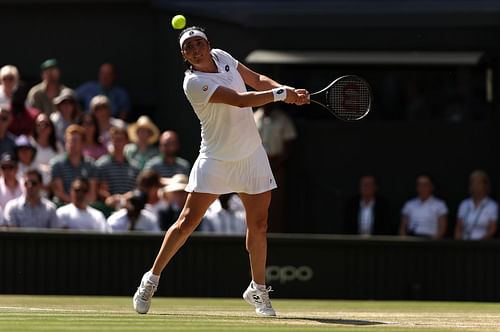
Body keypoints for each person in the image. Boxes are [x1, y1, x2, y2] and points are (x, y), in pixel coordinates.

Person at [132, 26, 309, 317]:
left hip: (252, 156)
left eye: (199, 43)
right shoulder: (193, 82)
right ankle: (151, 279)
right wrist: (280, 95)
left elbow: (255, 80)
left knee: (260, 225)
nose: (196, 50)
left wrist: (284, 91)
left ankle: (258, 289)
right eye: (189, 48)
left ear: (209, 44)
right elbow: (240, 99)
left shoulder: (222, 56)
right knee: (187, 222)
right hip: (215, 159)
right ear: (184, 56)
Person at [254, 103, 297, 232]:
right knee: (255, 204)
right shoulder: (253, 117)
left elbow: (289, 146)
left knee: (275, 205)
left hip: (276, 167)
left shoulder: (283, 119)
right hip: (256, 167)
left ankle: (274, 235)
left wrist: (274, 165)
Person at [50, 125, 98, 205]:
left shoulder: (91, 164)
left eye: (75, 141)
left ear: (82, 144)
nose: (71, 144)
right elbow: (60, 193)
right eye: (69, 141)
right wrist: (76, 205)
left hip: (86, 206)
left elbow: (92, 195)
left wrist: (82, 206)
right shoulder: (56, 164)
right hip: (64, 207)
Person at [96, 126, 139, 209]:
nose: (118, 142)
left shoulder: (135, 167)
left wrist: (125, 198)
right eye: (115, 139)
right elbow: (100, 189)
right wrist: (112, 198)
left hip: (129, 209)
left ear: (126, 142)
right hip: (108, 209)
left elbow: (136, 189)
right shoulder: (101, 164)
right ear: (111, 141)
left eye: (121, 139)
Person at [399, 173, 448, 239]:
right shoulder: (409, 204)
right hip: (412, 239)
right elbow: (403, 227)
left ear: (431, 187)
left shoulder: (439, 205)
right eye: (419, 185)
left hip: (431, 240)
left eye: (425, 185)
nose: (422, 188)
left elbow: (442, 227)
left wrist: (434, 242)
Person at [455, 170, 498, 240]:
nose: (475, 186)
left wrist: (479, 243)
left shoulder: (492, 206)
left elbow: (492, 229)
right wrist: (458, 242)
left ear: (485, 185)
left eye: (478, 183)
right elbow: (458, 227)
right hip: (464, 243)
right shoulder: (464, 204)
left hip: (482, 244)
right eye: (472, 183)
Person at [32, 113, 63, 186]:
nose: (43, 127)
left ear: (51, 127)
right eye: (39, 125)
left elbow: (62, 164)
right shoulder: (30, 144)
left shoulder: (58, 146)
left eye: (46, 125)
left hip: (54, 185)